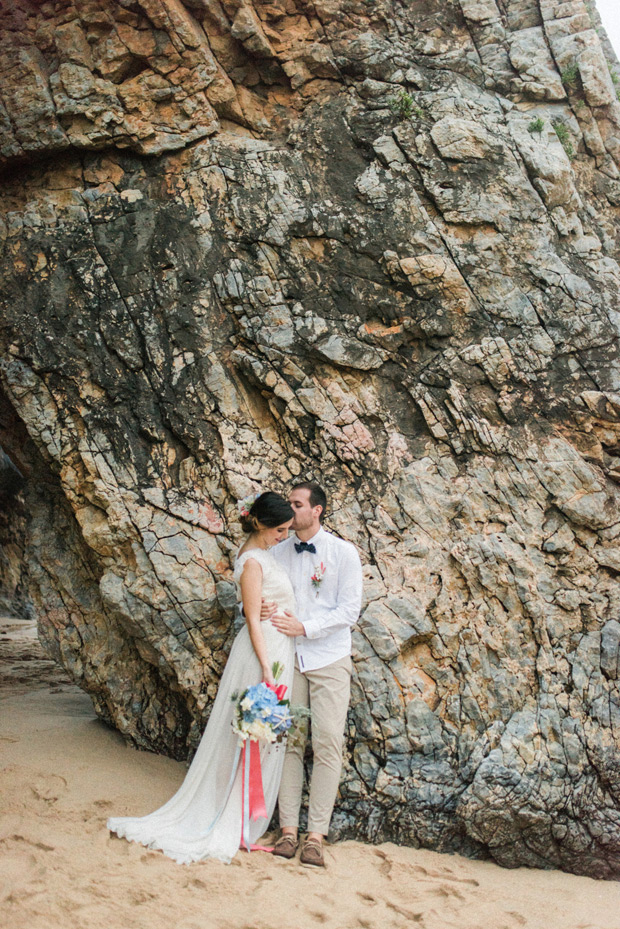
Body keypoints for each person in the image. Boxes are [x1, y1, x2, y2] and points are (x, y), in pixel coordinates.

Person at [107, 491, 299, 864]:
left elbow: (258, 605)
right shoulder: (252, 562)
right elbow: (252, 619)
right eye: (280, 529)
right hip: (264, 651)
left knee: (262, 734)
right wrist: (263, 665)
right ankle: (229, 813)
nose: (284, 536)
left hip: (279, 648)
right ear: (260, 524)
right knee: (250, 732)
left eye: (288, 530)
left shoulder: (261, 556)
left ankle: (244, 812)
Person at [266, 482, 363, 868]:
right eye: (289, 503)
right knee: (288, 742)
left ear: (317, 510)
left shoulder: (343, 553)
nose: (290, 510)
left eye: (296, 504)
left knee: (327, 745)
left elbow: (348, 611)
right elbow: (255, 592)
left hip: (328, 659)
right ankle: (288, 831)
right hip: (289, 660)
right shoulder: (276, 553)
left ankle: (316, 836)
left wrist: (304, 627)